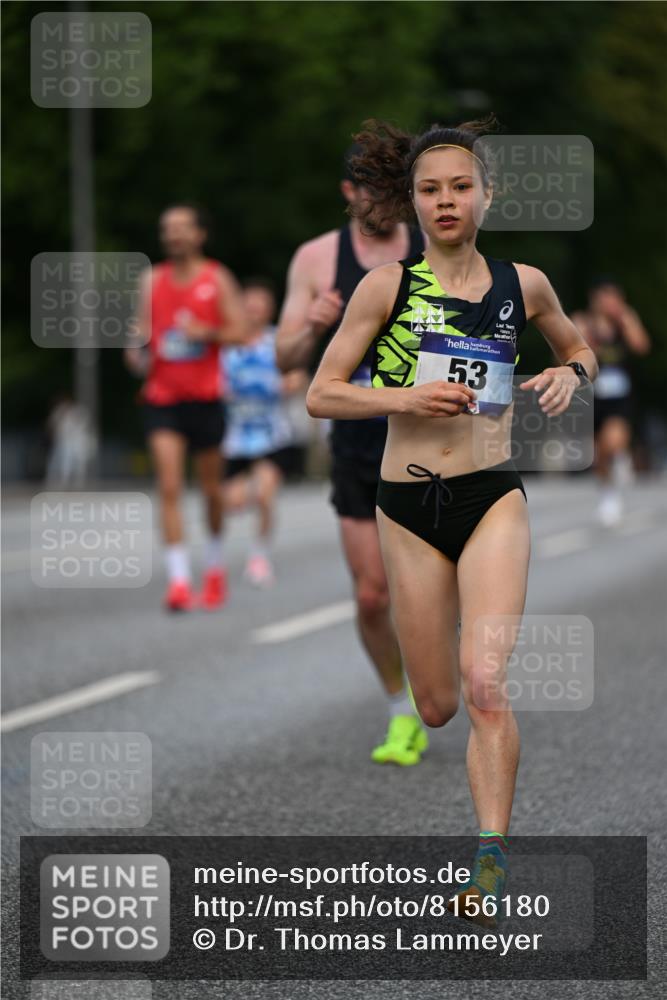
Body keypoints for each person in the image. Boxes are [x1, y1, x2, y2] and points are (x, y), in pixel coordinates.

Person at [306, 117, 598, 928]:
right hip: (406, 506)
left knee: (484, 684)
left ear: (485, 196)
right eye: (430, 189)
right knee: (436, 704)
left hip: (490, 496)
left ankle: (489, 863)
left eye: (460, 187)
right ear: (412, 202)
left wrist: (570, 375)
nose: (445, 201)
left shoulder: (522, 284)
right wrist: (405, 394)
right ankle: (421, 700)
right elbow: (322, 393)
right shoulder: (385, 288)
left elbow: (579, 349)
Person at [276, 146, 429, 766]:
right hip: (358, 443)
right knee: (372, 596)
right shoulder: (317, 258)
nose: (383, 203)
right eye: (371, 190)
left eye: (394, 190)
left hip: (429, 439)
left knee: (436, 588)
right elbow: (284, 357)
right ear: (348, 192)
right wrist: (313, 326)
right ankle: (401, 711)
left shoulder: (432, 247)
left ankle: (444, 676)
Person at [124, 203, 247, 611]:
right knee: (169, 486)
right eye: (167, 228)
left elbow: (241, 331)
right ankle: (178, 580)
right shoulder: (151, 279)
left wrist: (206, 332)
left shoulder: (217, 277)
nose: (173, 235)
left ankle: (213, 567)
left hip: (207, 398)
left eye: (181, 228)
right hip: (163, 397)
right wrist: (135, 348)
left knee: (211, 491)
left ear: (199, 234)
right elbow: (140, 332)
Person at [222, 279, 307, 586]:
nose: (253, 312)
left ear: (269, 310)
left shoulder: (276, 342)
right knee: (233, 503)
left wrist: (289, 383)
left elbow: (298, 375)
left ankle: (259, 557)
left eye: (259, 307)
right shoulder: (226, 345)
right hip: (235, 437)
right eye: (248, 306)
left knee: (264, 495)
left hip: (273, 434)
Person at [571, 278, 650, 525]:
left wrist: (626, 319)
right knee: (599, 455)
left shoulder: (624, 321)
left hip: (619, 399)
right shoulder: (582, 321)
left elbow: (641, 346)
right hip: (592, 397)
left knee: (613, 441)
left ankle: (621, 456)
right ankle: (608, 494)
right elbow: (570, 355)